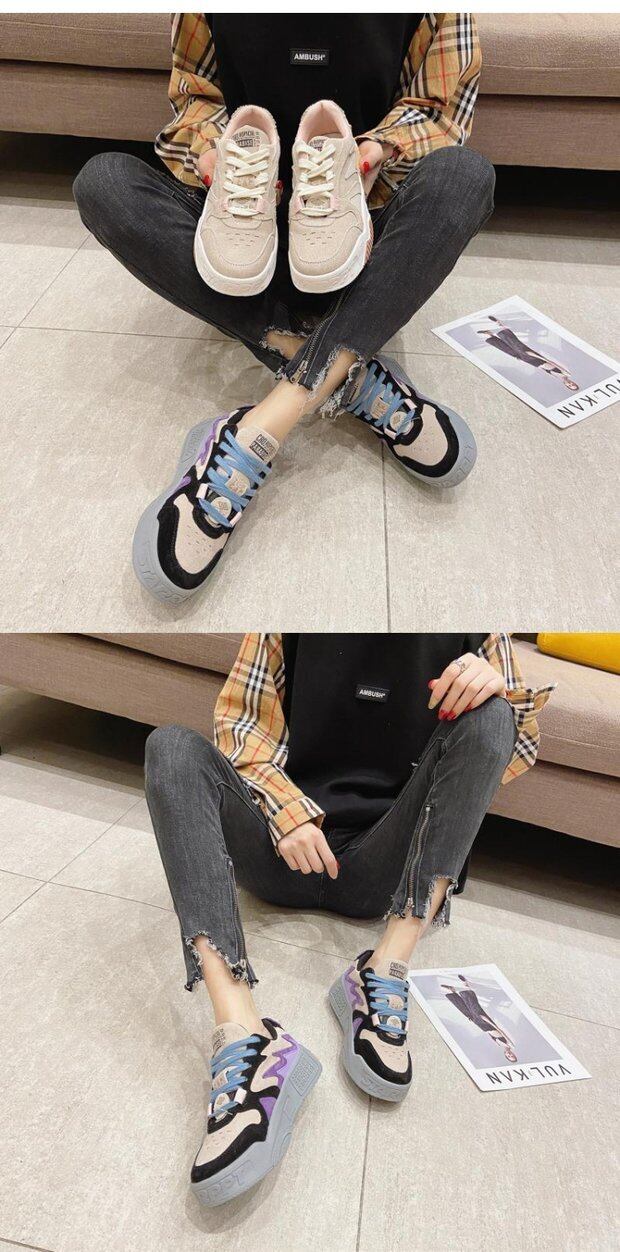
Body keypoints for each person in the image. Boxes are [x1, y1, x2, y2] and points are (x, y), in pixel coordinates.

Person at [73, 15, 495, 604]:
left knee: (465, 177)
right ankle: (347, 373)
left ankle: (263, 425)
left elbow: (441, 114)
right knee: (104, 183)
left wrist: (374, 150)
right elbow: (194, 99)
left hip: (356, 226)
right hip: (243, 230)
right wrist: (213, 153)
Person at [145, 632, 552, 1204]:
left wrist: (498, 690)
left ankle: (385, 967)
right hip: (281, 846)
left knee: (494, 714)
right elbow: (241, 727)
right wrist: (287, 811)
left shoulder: (471, 619)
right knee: (170, 747)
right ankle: (245, 1035)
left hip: (383, 866)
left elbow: (512, 749)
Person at [475, 316, 580, 391]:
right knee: (515, 343)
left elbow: (542, 369)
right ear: (574, 382)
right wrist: (534, 354)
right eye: (573, 384)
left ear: (567, 386)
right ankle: (499, 323)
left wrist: (523, 361)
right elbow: (551, 362)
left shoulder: (556, 378)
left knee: (508, 350)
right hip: (535, 358)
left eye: (570, 386)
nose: (570, 384)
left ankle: (489, 334)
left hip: (530, 362)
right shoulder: (567, 374)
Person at [441, 975, 518, 1062]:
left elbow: (490, 1034)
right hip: (487, 1024)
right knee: (473, 1005)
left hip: (481, 1026)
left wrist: (476, 1023)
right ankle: (465, 984)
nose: (509, 1054)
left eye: (509, 1057)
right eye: (512, 1055)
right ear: (514, 1054)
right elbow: (501, 1031)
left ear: (506, 1056)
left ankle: (452, 991)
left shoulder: (499, 1045)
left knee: (464, 1010)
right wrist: (487, 1020)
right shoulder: (511, 1045)